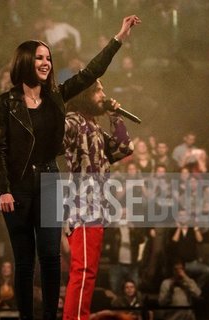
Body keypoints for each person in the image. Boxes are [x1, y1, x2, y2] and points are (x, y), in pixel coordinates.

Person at [0, 15, 140, 320]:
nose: (46, 63)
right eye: (40, 58)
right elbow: (1, 149)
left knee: (51, 258)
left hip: (58, 188)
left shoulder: (59, 100)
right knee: (27, 262)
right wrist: (3, 190)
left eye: (48, 58)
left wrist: (119, 38)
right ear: (25, 62)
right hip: (29, 190)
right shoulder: (11, 104)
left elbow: (91, 74)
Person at [62, 77, 135, 318]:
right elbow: (56, 136)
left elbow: (124, 148)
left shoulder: (93, 126)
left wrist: (115, 116)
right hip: (82, 207)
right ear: (86, 95)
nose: (103, 94)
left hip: (96, 210)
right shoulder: (73, 121)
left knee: (89, 271)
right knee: (82, 270)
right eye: (99, 91)